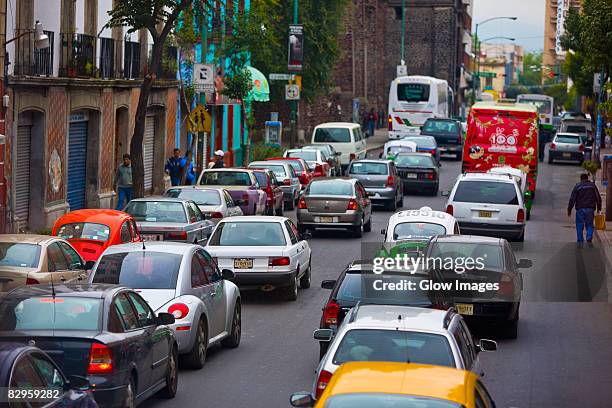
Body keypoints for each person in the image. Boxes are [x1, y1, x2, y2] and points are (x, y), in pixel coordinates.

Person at [567, 173, 602, 244]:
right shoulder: (593, 186)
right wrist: (599, 208)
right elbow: (598, 198)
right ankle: (589, 236)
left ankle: (580, 239)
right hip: (590, 208)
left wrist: (569, 209)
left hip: (580, 208)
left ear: (581, 179)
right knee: (589, 224)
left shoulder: (577, 186)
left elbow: (572, 199)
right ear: (587, 178)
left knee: (579, 224)